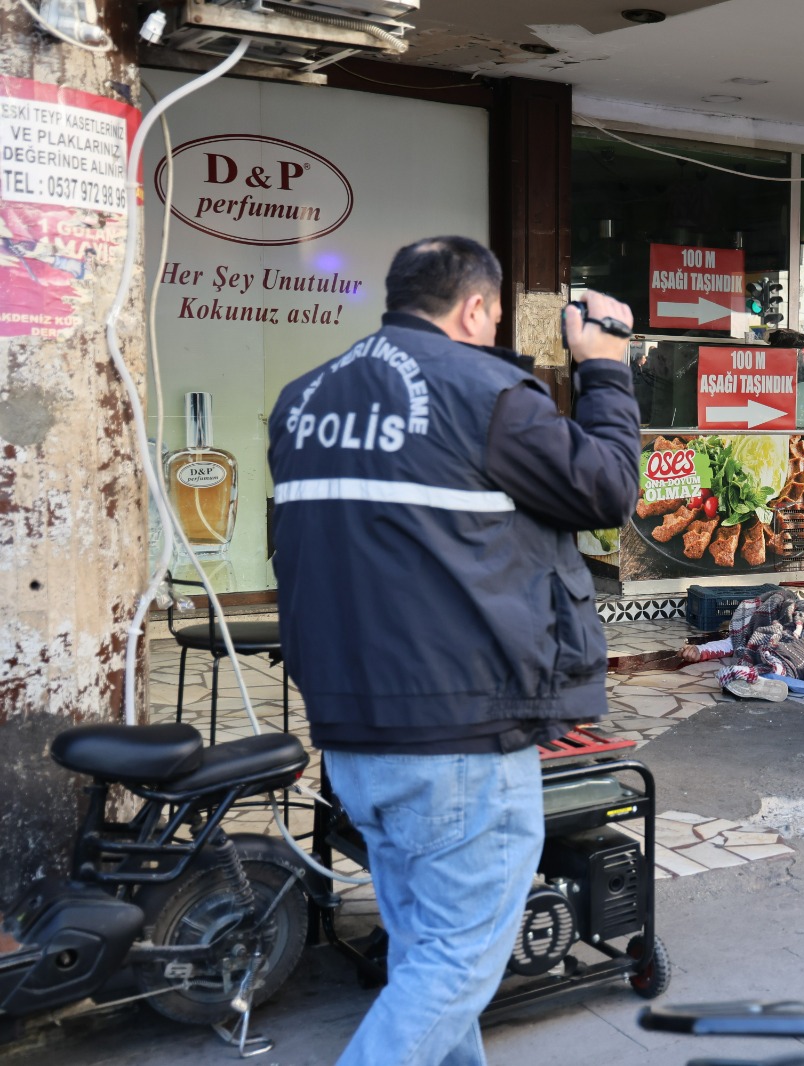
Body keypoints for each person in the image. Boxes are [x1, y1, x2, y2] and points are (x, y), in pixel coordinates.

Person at [267, 236, 640, 1066]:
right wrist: (607, 367)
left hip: (356, 735)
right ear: (476, 308)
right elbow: (608, 489)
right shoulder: (487, 393)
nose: (496, 327)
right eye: (496, 314)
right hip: (459, 739)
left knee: (426, 956)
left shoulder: (303, 398)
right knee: (456, 964)